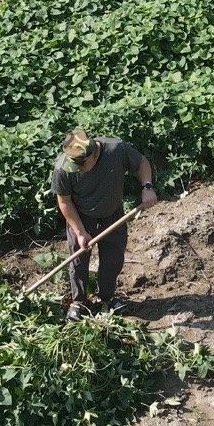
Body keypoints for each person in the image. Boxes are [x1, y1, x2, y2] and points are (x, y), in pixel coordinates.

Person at [51, 128, 159, 320]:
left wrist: (147, 186)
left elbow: (141, 162)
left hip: (113, 215)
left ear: (93, 155)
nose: (77, 169)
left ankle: (107, 298)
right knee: (78, 262)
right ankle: (79, 301)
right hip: (81, 217)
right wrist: (80, 231)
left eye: (81, 165)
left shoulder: (115, 150)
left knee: (112, 260)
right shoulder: (63, 168)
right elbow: (64, 201)